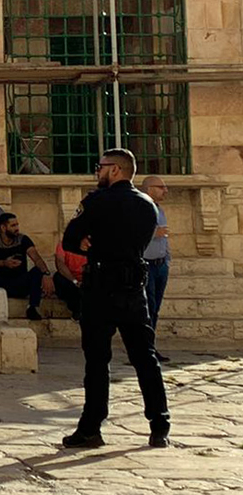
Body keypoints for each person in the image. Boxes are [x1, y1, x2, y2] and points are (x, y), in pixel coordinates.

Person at [61, 148, 170, 449]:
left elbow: (70, 239)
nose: (98, 172)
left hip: (100, 288)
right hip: (134, 289)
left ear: (115, 170)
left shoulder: (96, 201)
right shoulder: (147, 205)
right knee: (145, 358)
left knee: (97, 361)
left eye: (101, 167)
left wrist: (88, 243)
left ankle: (91, 428)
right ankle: (159, 426)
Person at [0, 212, 53, 321]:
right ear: (3, 228)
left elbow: (36, 258)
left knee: (37, 271)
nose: (17, 228)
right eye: (13, 225)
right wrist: (4, 263)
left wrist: (46, 274)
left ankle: (32, 307)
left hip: (19, 282)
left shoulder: (22, 239)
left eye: (17, 225)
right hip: (0, 282)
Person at [141, 176, 170, 355]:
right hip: (147, 264)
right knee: (149, 307)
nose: (165, 190)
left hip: (161, 264)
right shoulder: (140, 208)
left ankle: (150, 346)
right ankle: (146, 348)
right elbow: (133, 232)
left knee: (155, 307)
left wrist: (167, 259)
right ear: (149, 189)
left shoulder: (160, 210)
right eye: (161, 187)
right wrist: (154, 233)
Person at [53, 215, 89, 321]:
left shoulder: (91, 246)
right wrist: (75, 281)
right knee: (59, 278)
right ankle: (78, 311)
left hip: (87, 279)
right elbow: (60, 264)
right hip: (70, 279)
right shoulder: (64, 245)